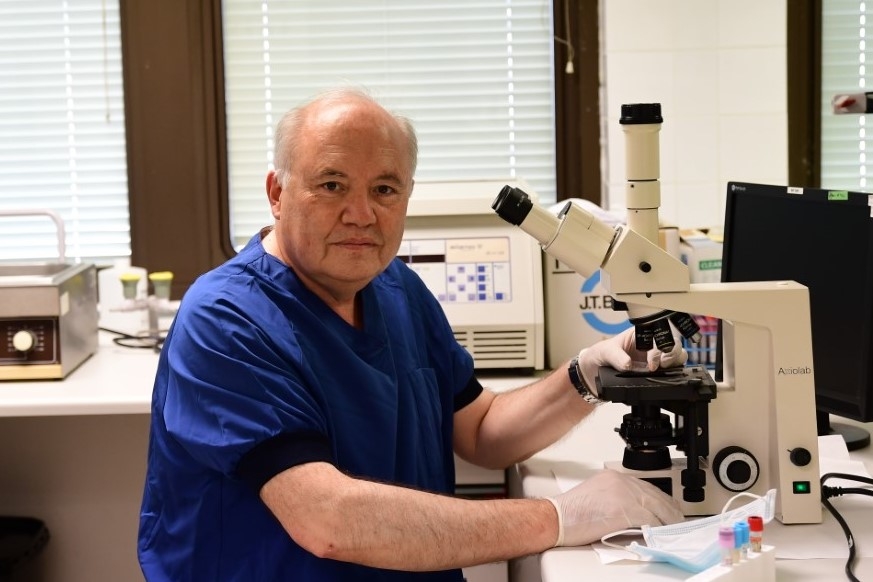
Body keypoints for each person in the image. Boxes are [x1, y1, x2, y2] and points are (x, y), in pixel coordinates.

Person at [137, 88, 687, 581]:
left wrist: (590, 373)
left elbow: (482, 431)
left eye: (385, 188)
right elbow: (329, 520)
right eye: (331, 185)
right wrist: (561, 517)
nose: (361, 213)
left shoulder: (395, 288)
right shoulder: (226, 319)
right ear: (277, 193)